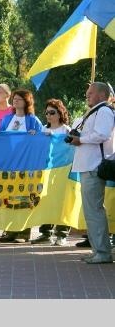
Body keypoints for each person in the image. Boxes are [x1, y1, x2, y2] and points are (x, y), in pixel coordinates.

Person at [69, 82, 115, 264]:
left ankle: (102, 252)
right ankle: (98, 250)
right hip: (88, 165)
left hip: (94, 165)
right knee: (92, 210)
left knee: (94, 210)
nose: (87, 95)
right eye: (87, 92)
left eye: (91, 92)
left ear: (102, 95)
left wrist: (80, 140)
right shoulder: (95, 111)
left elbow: (102, 135)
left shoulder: (103, 111)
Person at [0, 89, 43, 243]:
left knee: (24, 198)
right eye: (14, 98)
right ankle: (10, 231)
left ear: (27, 102)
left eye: (19, 99)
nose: (15, 101)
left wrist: (35, 136)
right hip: (10, 164)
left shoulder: (33, 120)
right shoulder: (7, 119)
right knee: (9, 197)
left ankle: (23, 233)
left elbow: (41, 140)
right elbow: (0, 138)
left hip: (26, 165)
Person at [30, 98, 72, 246]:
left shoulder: (66, 130)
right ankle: (45, 233)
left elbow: (71, 150)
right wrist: (34, 136)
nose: (48, 115)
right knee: (46, 200)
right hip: (46, 171)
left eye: (52, 112)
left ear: (60, 113)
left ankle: (61, 234)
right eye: (47, 113)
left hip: (62, 171)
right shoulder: (43, 129)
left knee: (62, 201)